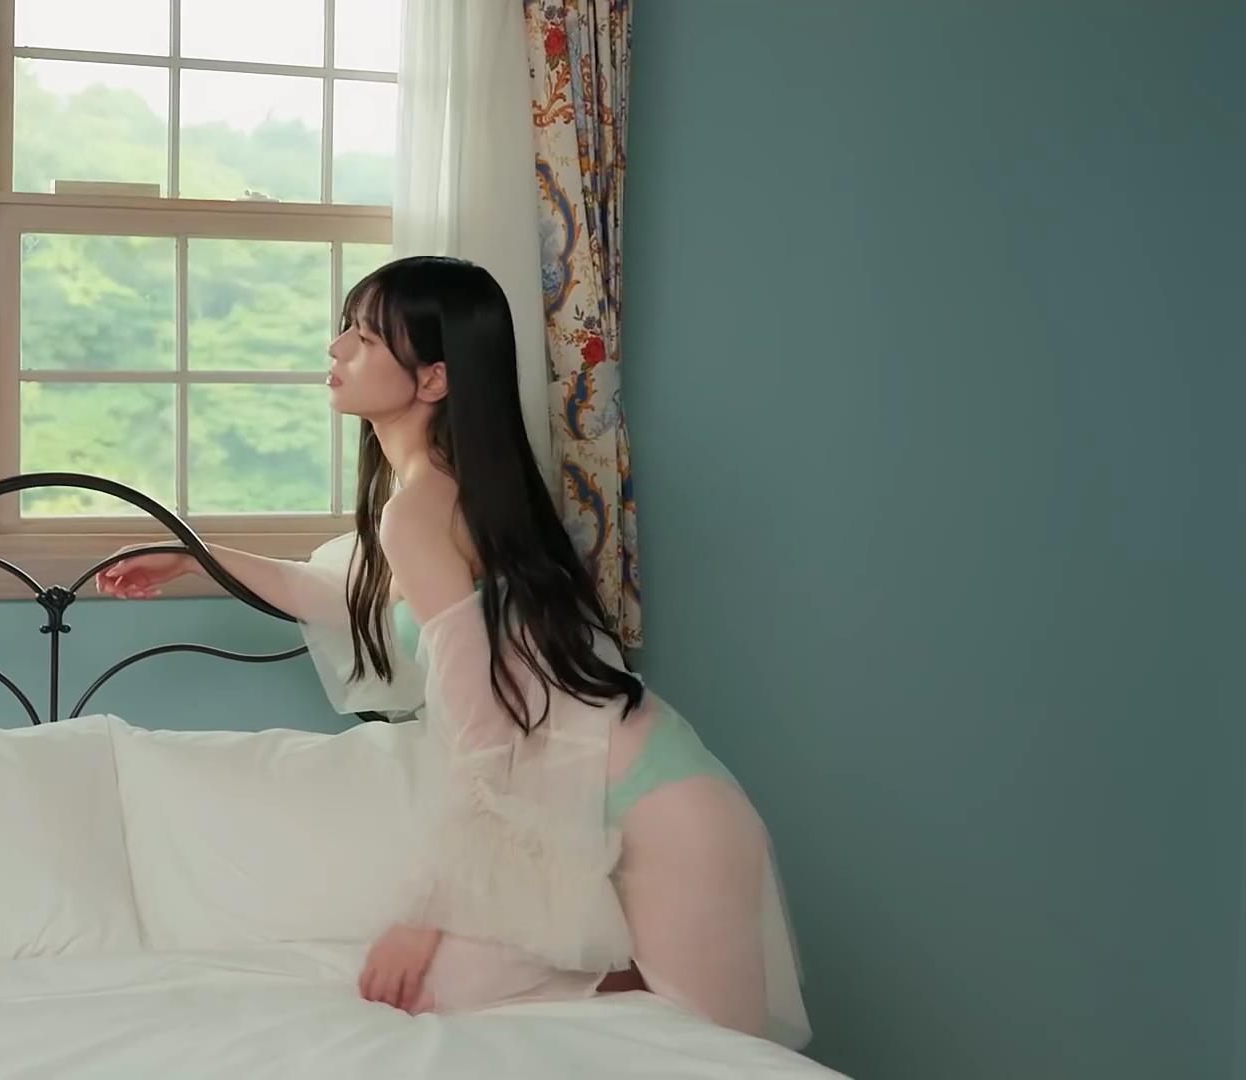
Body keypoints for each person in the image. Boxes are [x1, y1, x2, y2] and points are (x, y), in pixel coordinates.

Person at [97, 256, 801, 1038]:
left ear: (433, 379)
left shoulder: (425, 508)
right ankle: (614, 977)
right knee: (451, 997)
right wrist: (193, 556)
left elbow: (482, 734)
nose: (336, 348)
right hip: (593, 805)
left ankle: (618, 977)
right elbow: (334, 595)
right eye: (346, 329)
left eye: (365, 338)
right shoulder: (433, 496)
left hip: (662, 810)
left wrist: (424, 919)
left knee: (710, 1052)